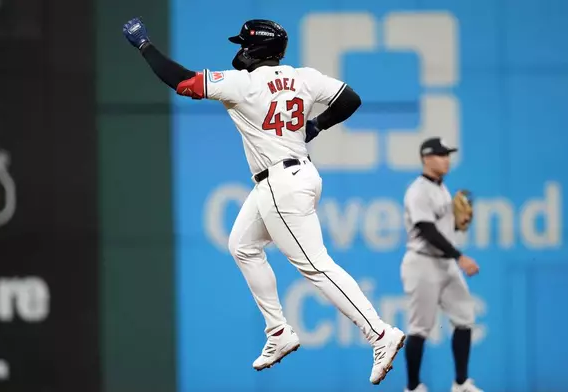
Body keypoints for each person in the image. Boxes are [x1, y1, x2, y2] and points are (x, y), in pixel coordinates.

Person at [122, 17, 406, 385]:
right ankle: (279, 332)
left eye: (243, 43)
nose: (238, 49)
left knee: (316, 267)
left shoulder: (243, 83)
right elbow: (350, 99)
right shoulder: (304, 76)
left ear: (255, 48)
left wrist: (145, 46)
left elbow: (183, 82)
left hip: (280, 185)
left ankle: (379, 334)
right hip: (295, 175)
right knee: (242, 245)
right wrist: (315, 126)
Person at [400, 137, 482, 392]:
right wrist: (460, 256)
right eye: (440, 154)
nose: (446, 159)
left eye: (447, 154)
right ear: (426, 158)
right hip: (422, 263)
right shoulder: (418, 190)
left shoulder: (442, 189)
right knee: (419, 328)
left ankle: (461, 383)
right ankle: (413, 387)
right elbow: (426, 230)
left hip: (444, 264)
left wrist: (457, 224)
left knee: (465, 318)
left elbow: (442, 230)